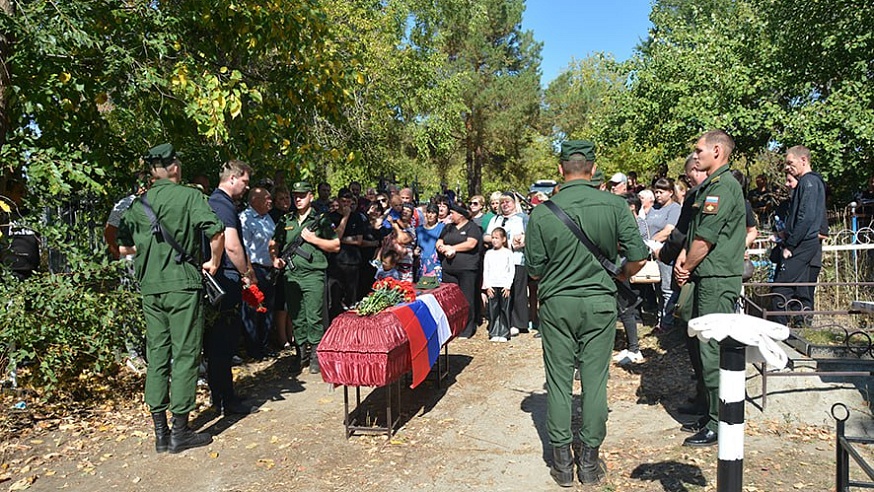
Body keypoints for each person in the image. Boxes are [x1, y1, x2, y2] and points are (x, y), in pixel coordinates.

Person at [526, 140, 646, 486]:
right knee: (595, 382)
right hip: (599, 303)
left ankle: (563, 465)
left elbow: (533, 270)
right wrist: (620, 275)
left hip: (557, 304)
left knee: (559, 382)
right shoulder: (615, 205)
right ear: (593, 170)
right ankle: (590, 465)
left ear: (560, 170)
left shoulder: (542, 212)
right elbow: (637, 255)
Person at [116, 143, 224, 453]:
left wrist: (151, 252)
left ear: (152, 171)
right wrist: (213, 263)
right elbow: (216, 233)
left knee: (157, 355)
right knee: (186, 353)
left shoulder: (137, 205)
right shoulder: (190, 196)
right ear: (174, 167)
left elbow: (124, 249)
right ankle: (180, 431)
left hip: (150, 287)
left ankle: (160, 434)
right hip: (183, 286)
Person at [673, 130, 746, 447]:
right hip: (704, 277)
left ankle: (720, 421)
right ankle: (710, 411)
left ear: (717, 151)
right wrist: (683, 259)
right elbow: (694, 234)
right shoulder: (711, 187)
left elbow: (706, 239)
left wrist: (685, 267)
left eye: (700, 149)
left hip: (715, 280)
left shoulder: (723, 188)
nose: (696, 153)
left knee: (711, 348)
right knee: (701, 344)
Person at [270, 181, 340, 375]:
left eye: (302, 195)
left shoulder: (321, 220)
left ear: (310, 196)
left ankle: (316, 354)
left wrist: (313, 239)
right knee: (296, 315)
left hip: (313, 274)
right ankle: (300, 354)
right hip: (291, 275)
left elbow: (335, 245)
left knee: (314, 315)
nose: (298, 199)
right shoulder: (286, 220)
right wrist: (275, 258)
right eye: (296, 196)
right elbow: (274, 242)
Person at [205, 160, 258, 415]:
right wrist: (246, 273)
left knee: (218, 344)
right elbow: (232, 246)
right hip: (225, 280)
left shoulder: (213, 201)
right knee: (223, 344)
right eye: (245, 182)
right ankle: (226, 399)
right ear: (233, 178)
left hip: (220, 281)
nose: (247, 187)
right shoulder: (223, 205)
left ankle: (221, 395)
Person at [770, 146, 826, 326]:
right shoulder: (809, 182)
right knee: (799, 289)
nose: (787, 167)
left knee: (780, 289)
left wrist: (790, 245)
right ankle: (798, 327)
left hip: (801, 243)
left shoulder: (808, 182)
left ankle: (780, 330)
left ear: (803, 160)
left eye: (790, 163)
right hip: (803, 243)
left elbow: (806, 217)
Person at [239, 187, 276, 361]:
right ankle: (253, 349)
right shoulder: (245, 219)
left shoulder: (268, 217)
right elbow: (243, 247)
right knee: (252, 310)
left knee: (268, 310)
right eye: (267, 198)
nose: (271, 201)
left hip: (269, 270)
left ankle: (264, 345)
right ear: (255, 201)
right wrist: (249, 271)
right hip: (254, 269)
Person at [436, 201, 483, 338]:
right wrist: (442, 248)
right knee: (451, 299)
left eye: (452, 213)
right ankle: (453, 328)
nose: (450, 215)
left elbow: (471, 243)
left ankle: (467, 328)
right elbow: (440, 240)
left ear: (461, 214)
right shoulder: (448, 227)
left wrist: (453, 248)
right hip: (449, 268)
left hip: (466, 268)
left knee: (466, 298)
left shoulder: (472, 227)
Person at [484, 192, 528, 336]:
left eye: (508, 201)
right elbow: (486, 236)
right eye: (502, 202)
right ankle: (502, 321)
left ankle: (518, 323)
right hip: (498, 262)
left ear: (515, 203)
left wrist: (521, 240)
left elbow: (530, 236)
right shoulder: (496, 219)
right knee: (501, 293)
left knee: (517, 291)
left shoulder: (523, 218)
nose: (505, 204)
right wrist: (501, 241)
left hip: (517, 259)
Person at [644, 178, 681, 331]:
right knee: (657, 287)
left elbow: (668, 230)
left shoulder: (674, 208)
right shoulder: (654, 208)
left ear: (670, 192)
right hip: (653, 254)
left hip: (666, 254)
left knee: (667, 289)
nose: (657, 195)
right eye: (656, 191)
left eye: (661, 191)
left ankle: (668, 322)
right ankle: (660, 319)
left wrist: (651, 241)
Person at [482, 227, 514, 342]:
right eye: (493, 238)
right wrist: (487, 286)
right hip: (492, 285)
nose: (494, 240)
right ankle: (494, 332)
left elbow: (511, 270)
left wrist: (508, 285)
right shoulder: (489, 254)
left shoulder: (508, 253)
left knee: (504, 309)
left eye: (497, 238)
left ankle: (504, 333)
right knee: (493, 310)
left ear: (503, 239)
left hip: (504, 285)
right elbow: (486, 270)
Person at [415, 203, 445, 279]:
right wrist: (415, 251)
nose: (430, 215)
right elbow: (416, 246)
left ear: (437, 215)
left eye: (433, 213)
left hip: (436, 264)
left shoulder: (442, 228)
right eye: (429, 212)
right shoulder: (419, 230)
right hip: (422, 264)